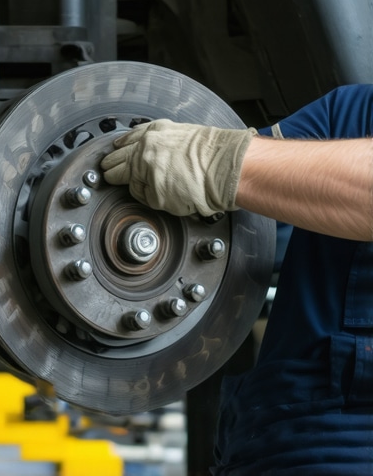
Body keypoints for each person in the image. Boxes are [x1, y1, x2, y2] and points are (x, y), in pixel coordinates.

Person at [101, 84, 373, 475]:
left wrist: (220, 162)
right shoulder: (350, 109)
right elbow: (246, 221)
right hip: (268, 443)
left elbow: (234, 170)